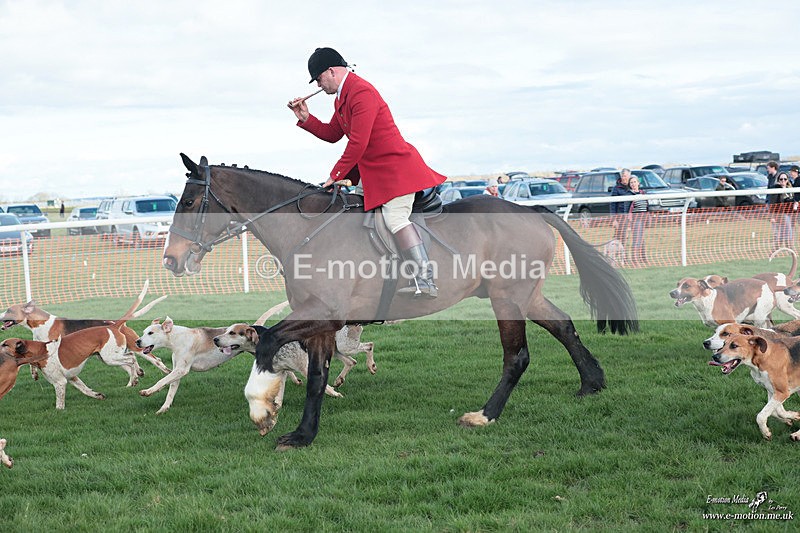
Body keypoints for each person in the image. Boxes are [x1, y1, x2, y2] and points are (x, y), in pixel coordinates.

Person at [288, 47, 446, 298]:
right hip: (373, 175)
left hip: (397, 172)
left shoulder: (361, 92)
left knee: (395, 220)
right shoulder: (342, 97)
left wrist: (334, 175)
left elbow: (358, 143)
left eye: (318, 78)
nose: (318, 84)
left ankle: (424, 279)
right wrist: (307, 118)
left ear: (332, 71)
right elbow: (332, 134)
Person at [768, 171, 794, 252]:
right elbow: (772, 203)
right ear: (778, 180)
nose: (783, 181)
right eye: (781, 179)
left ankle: (788, 250)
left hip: (790, 215)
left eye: (785, 179)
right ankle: (779, 251)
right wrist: (772, 217)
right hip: (780, 215)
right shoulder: (776, 189)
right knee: (784, 235)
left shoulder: (790, 189)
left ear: (787, 180)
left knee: (784, 235)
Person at [627, 176, 649, 267]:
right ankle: (634, 258)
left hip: (643, 219)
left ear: (638, 183)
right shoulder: (630, 194)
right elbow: (629, 209)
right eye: (631, 182)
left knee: (642, 239)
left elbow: (647, 205)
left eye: (634, 182)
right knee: (637, 239)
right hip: (636, 219)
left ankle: (643, 257)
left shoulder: (643, 193)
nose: (633, 184)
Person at [610, 169, 633, 242]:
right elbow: (613, 205)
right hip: (621, 217)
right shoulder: (616, 189)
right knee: (621, 237)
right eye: (623, 176)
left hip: (632, 217)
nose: (624, 178)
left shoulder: (632, 187)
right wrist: (614, 219)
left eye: (626, 176)